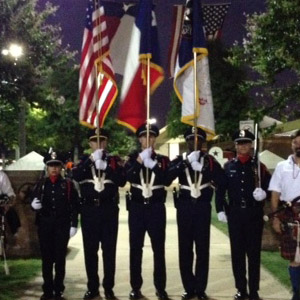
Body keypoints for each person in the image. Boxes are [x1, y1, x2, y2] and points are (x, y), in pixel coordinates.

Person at [165, 127, 225, 300]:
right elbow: (167, 178)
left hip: (202, 207)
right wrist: (186, 163)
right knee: (185, 248)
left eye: (199, 140)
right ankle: (188, 287)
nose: (195, 143)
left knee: (202, 248)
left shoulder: (210, 161)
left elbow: (221, 180)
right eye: (191, 139)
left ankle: (200, 288)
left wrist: (204, 169)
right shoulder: (179, 160)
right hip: (184, 207)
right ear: (187, 142)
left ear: (203, 143)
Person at [215, 129, 271, 300]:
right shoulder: (229, 166)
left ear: (252, 145)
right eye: (240, 143)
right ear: (236, 146)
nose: (243, 146)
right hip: (236, 214)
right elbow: (220, 190)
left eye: (246, 142)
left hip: (254, 214)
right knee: (237, 254)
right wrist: (220, 209)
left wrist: (264, 194)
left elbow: (270, 189)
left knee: (253, 254)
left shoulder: (259, 167)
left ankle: (253, 291)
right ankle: (241, 289)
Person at [72, 128, 126, 300]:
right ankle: (92, 287)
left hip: (108, 210)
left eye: (102, 140)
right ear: (90, 143)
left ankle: (109, 287)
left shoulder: (114, 161)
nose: (99, 144)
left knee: (109, 251)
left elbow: (122, 180)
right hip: (89, 211)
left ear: (106, 142)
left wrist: (107, 169)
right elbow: (76, 175)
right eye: (95, 141)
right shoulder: (84, 161)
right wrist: (91, 161)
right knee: (90, 251)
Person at [125, 123, 170, 300]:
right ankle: (135, 287)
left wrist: (153, 165)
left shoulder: (163, 160)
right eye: (144, 137)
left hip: (156, 208)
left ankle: (160, 287)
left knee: (159, 249)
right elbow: (127, 178)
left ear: (155, 139)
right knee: (135, 249)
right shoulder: (131, 159)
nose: (148, 140)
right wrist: (139, 162)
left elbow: (166, 180)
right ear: (140, 139)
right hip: (137, 208)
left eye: (151, 136)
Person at [31, 151, 79, 300]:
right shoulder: (41, 184)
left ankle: (58, 290)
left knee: (59, 259)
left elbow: (74, 205)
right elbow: (33, 201)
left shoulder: (68, 185)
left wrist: (73, 224)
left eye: (57, 165)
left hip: (61, 226)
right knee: (46, 259)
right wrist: (33, 206)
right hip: (45, 225)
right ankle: (47, 290)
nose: (54, 169)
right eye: (51, 165)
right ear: (46, 167)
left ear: (61, 167)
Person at [268, 129, 300, 300]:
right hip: (289, 215)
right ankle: (296, 293)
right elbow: (275, 193)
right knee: (294, 259)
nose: (299, 146)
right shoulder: (282, 166)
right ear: (291, 144)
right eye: (296, 142)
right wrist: (275, 218)